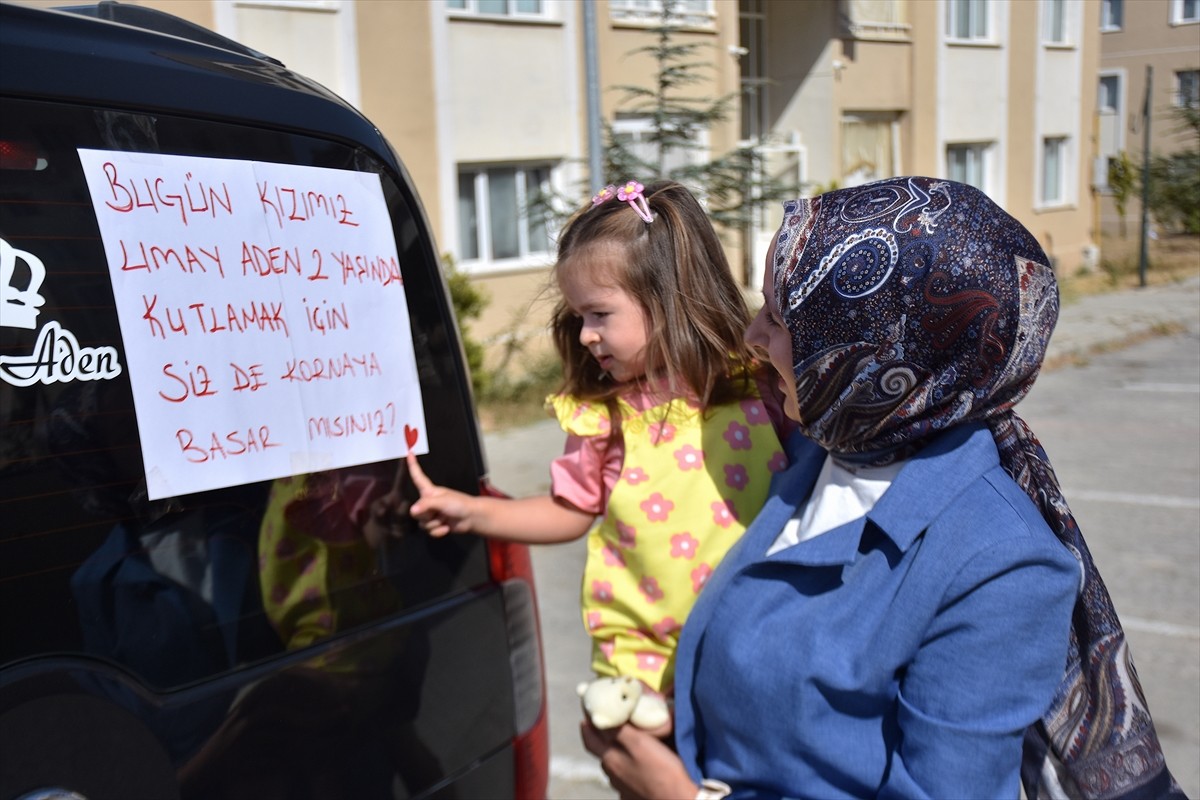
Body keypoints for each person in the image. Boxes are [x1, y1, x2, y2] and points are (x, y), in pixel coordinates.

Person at [582, 177, 1183, 799]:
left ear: (873, 346)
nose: (752, 340)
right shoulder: (822, 448)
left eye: (779, 319)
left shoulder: (1001, 565)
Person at [408, 180, 790, 712]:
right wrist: (473, 513)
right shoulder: (603, 415)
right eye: (579, 317)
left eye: (599, 314)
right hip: (641, 664)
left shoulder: (765, 388)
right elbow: (570, 509)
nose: (585, 334)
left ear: (669, 299)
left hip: (749, 644)